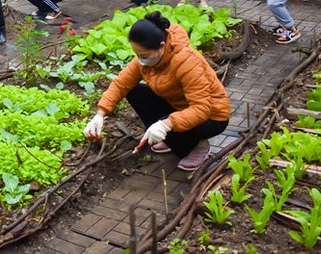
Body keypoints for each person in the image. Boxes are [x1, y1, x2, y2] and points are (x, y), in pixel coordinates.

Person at [83, 11, 230, 171]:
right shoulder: (147, 57)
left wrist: (166, 124)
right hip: (181, 107)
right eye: (137, 54)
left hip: (211, 116)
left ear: (161, 46)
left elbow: (201, 109)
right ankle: (175, 138)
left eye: (144, 55)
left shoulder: (187, 61)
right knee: (134, 91)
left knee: (172, 133)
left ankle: (199, 146)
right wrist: (100, 114)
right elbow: (121, 84)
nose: (140, 59)